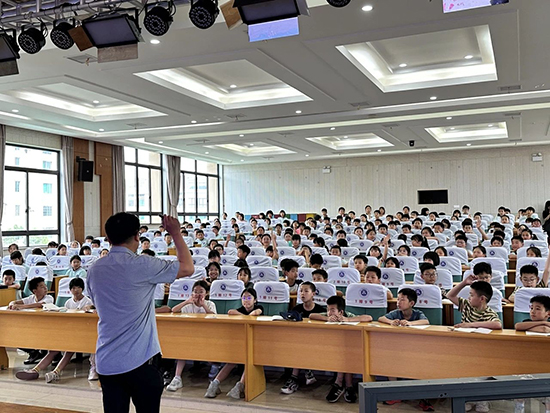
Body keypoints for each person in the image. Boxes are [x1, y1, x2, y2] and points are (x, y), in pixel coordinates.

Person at [87, 212, 194, 413]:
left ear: (108, 238)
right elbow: (187, 268)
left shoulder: (94, 269)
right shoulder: (144, 264)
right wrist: (176, 233)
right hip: (141, 360)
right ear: (137, 236)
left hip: (107, 360)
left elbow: (97, 303)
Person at [15, 278, 97, 383]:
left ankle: (55, 372)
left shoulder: (87, 301)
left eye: (78, 287)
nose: (76, 290)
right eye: (73, 288)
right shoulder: (68, 302)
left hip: (81, 332)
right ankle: (35, 370)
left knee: (69, 350)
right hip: (69, 331)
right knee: (54, 350)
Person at [310, 296, 372, 403]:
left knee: (346, 355)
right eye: (328, 309)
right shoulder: (328, 315)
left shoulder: (347, 315)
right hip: (331, 348)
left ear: (341, 312)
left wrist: (347, 320)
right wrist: (327, 319)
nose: (329, 312)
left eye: (332, 310)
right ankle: (347, 385)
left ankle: (340, 383)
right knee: (343, 354)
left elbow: (368, 318)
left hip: (348, 348)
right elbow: (311, 315)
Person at [205, 288, 263, 399]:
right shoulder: (241, 309)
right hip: (241, 343)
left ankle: (239, 386)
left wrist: (242, 316)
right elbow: (230, 312)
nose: (246, 300)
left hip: (256, 344)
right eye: (244, 298)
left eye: (249, 297)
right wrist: (243, 315)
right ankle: (214, 384)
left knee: (249, 360)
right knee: (231, 362)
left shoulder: (259, 307)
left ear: (255, 300)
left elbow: (255, 313)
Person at [167, 281, 217, 392]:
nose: (198, 294)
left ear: (206, 293)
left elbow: (213, 317)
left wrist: (203, 305)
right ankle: (177, 378)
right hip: (190, 336)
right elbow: (174, 310)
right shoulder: (188, 305)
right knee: (182, 348)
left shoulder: (210, 304)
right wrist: (187, 301)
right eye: (195, 292)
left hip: (207, 336)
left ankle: (214, 377)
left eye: (201, 292)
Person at [280, 281, 326, 394]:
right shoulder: (296, 309)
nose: (302, 293)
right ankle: (307, 372)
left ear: (313, 294)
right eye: (301, 291)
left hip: (317, 341)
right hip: (299, 341)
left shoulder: (321, 310)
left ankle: (294, 378)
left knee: (300, 347)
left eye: (306, 291)